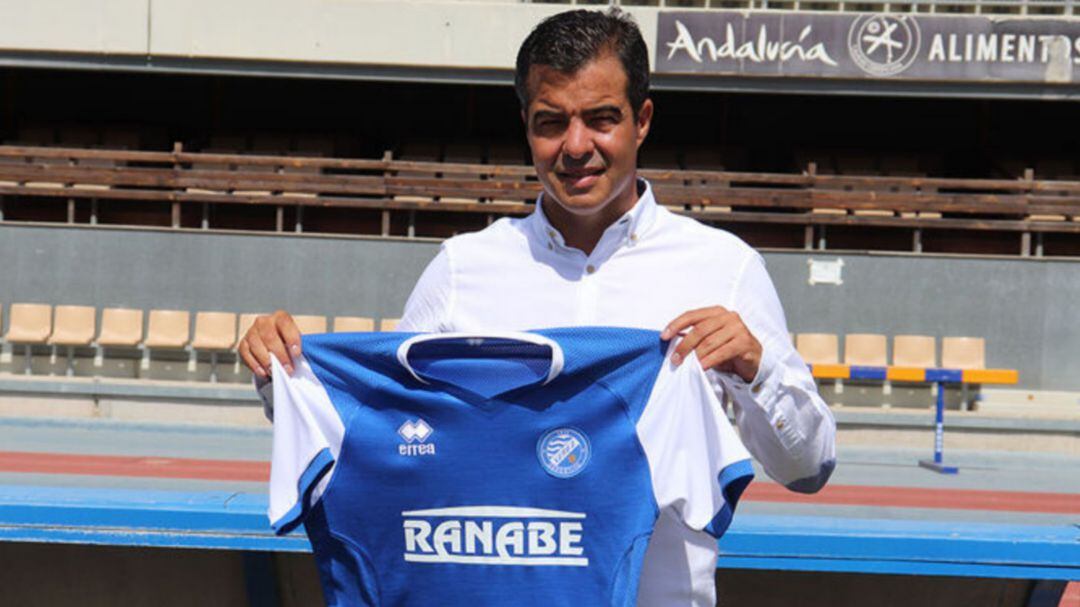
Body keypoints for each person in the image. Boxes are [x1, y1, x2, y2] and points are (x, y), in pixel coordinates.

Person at [241, 8, 835, 606]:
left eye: (602, 119)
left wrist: (756, 370)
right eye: (552, 123)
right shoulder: (462, 268)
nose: (577, 147)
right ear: (527, 125)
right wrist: (285, 374)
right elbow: (393, 433)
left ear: (642, 120)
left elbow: (807, 469)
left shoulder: (723, 267)